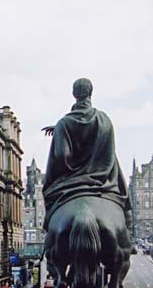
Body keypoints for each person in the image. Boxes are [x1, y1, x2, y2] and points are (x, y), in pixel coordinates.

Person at [42, 78, 133, 238]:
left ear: (73, 94)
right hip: (103, 182)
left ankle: (49, 225)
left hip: (71, 184)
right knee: (121, 185)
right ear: (91, 93)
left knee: (49, 197)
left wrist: (59, 131)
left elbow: (62, 155)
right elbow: (108, 153)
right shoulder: (105, 120)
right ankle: (128, 227)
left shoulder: (64, 123)